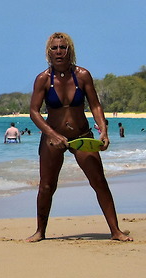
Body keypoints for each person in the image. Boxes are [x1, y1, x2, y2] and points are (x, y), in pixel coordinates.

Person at [26, 32, 131, 243]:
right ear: (48, 52)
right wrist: (52, 134)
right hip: (53, 139)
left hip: (82, 136)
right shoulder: (43, 79)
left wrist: (103, 131)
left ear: (70, 50)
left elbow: (95, 105)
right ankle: (40, 231)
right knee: (47, 186)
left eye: (62, 47)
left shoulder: (82, 75)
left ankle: (115, 231)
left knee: (99, 181)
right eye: (54, 48)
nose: (59, 52)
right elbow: (34, 112)